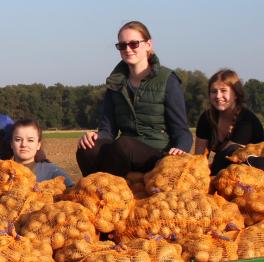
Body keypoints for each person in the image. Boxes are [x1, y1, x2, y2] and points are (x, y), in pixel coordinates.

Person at [76, 20, 192, 177]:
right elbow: (108, 130)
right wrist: (96, 137)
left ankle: (115, 186)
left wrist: (180, 149)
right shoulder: (115, 83)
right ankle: (97, 188)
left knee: (124, 144)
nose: (127, 49)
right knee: (87, 148)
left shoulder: (168, 80)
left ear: (148, 45)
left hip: (157, 154)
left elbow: (181, 131)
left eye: (134, 44)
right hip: (122, 154)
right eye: (122, 45)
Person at [193, 69, 264, 175]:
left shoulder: (246, 120)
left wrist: (211, 175)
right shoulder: (206, 118)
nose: (218, 96)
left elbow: (227, 157)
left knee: (231, 150)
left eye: (223, 91)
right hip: (225, 170)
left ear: (236, 94)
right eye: (214, 91)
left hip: (254, 172)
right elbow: (199, 157)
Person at [10, 118, 73, 186]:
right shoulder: (2, 171)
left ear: (38, 145)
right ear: (11, 144)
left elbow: (73, 190)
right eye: (18, 139)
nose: (24, 144)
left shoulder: (52, 172)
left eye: (30, 140)